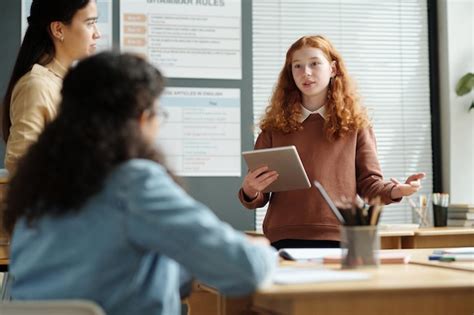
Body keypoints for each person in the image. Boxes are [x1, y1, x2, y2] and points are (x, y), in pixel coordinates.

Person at [2, 52, 277, 315]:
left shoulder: (36, 188)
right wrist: (259, 251)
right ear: (141, 119)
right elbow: (245, 271)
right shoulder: (133, 183)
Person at [238, 35, 425, 250]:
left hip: (341, 237)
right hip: (283, 239)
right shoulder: (273, 129)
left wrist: (398, 190)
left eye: (314, 63)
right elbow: (259, 195)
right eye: (297, 66)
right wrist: (249, 189)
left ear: (333, 69)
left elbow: (369, 186)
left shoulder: (356, 126)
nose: (305, 72)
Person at [2, 0, 101, 174]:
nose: (97, 34)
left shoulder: (70, 83)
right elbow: (21, 164)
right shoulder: (36, 86)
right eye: (90, 23)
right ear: (58, 29)